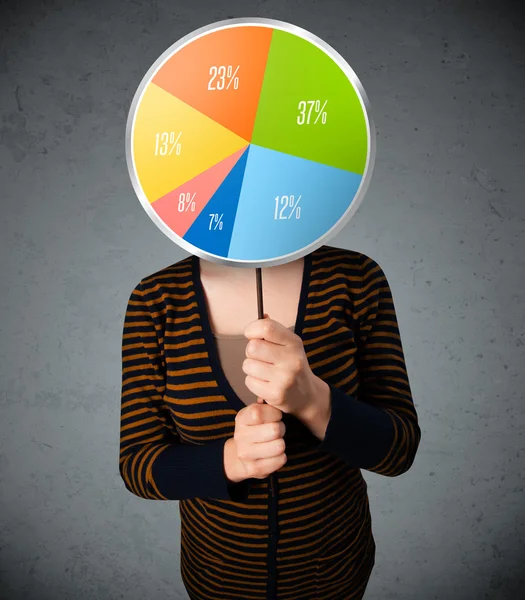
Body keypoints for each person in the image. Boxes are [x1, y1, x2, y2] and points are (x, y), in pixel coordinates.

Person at [119, 244, 421, 600]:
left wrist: (314, 402)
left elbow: (400, 450)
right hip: (216, 579)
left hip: (336, 573)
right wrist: (231, 461)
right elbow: (137, 464)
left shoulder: (354, 278)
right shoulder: (155, 299)